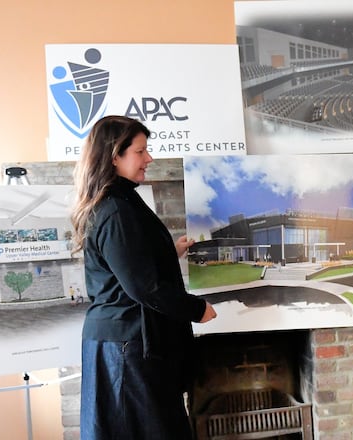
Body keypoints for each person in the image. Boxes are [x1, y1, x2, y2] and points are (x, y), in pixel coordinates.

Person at [70, 115, 218, 440]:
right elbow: (142, 286)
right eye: (140, 152)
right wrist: (196, 309)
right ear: (114, 156)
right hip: (126, 346)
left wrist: (170, 253)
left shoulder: (119, 201)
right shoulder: (116, 210)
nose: (148, 159)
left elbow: (128, 264)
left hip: (124, 342)